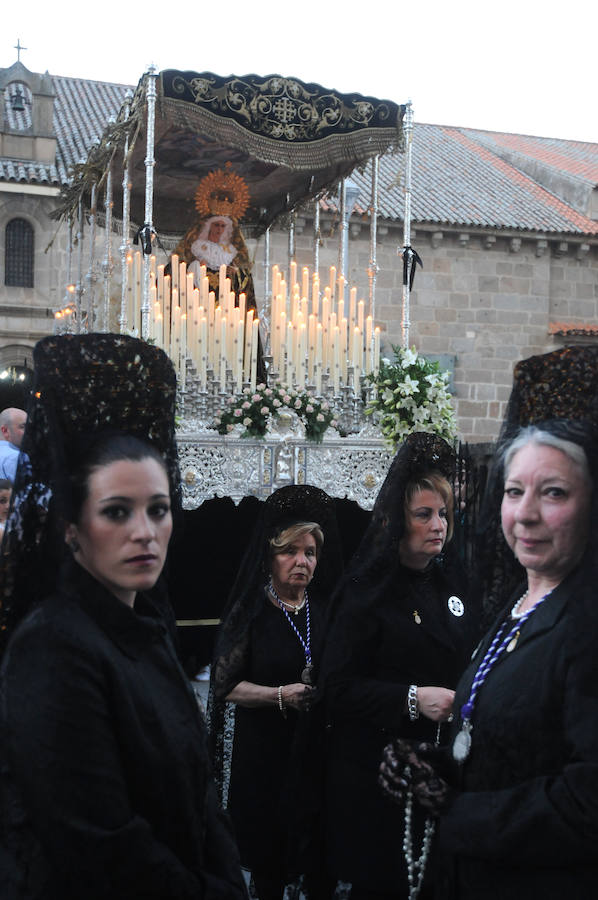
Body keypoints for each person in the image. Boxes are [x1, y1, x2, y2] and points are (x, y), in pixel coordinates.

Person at [0, 334, 246, 900]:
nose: (144, 531)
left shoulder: (147, 627)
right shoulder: (52, 649)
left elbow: (199, 791)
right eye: (117, 512)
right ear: (70, 528)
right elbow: (100, 844)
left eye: (158, 510)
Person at [321, 432, 476, 899]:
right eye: (424, 514)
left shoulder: (451, 582)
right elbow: (336, 688)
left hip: (443, 770)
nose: (438, 525)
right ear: (396, 520)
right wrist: (412, 699)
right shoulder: (366, 591)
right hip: (380, 777)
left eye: (444, 514)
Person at [208, 484, 343, 900]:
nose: (301, 561)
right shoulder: (250, 613)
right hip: (265, 754)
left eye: (310, 552)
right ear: (271, 556)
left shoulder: (324, 613)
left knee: (317, 860)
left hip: (314, 755)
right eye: (290, 551)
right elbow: (224, 686)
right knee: (270, 867)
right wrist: (280, 695)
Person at [0, 407, 27, 482]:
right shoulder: (15, 456)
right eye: (23, 427)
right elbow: (28, 490)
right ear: (5, 431)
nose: (29, 431)